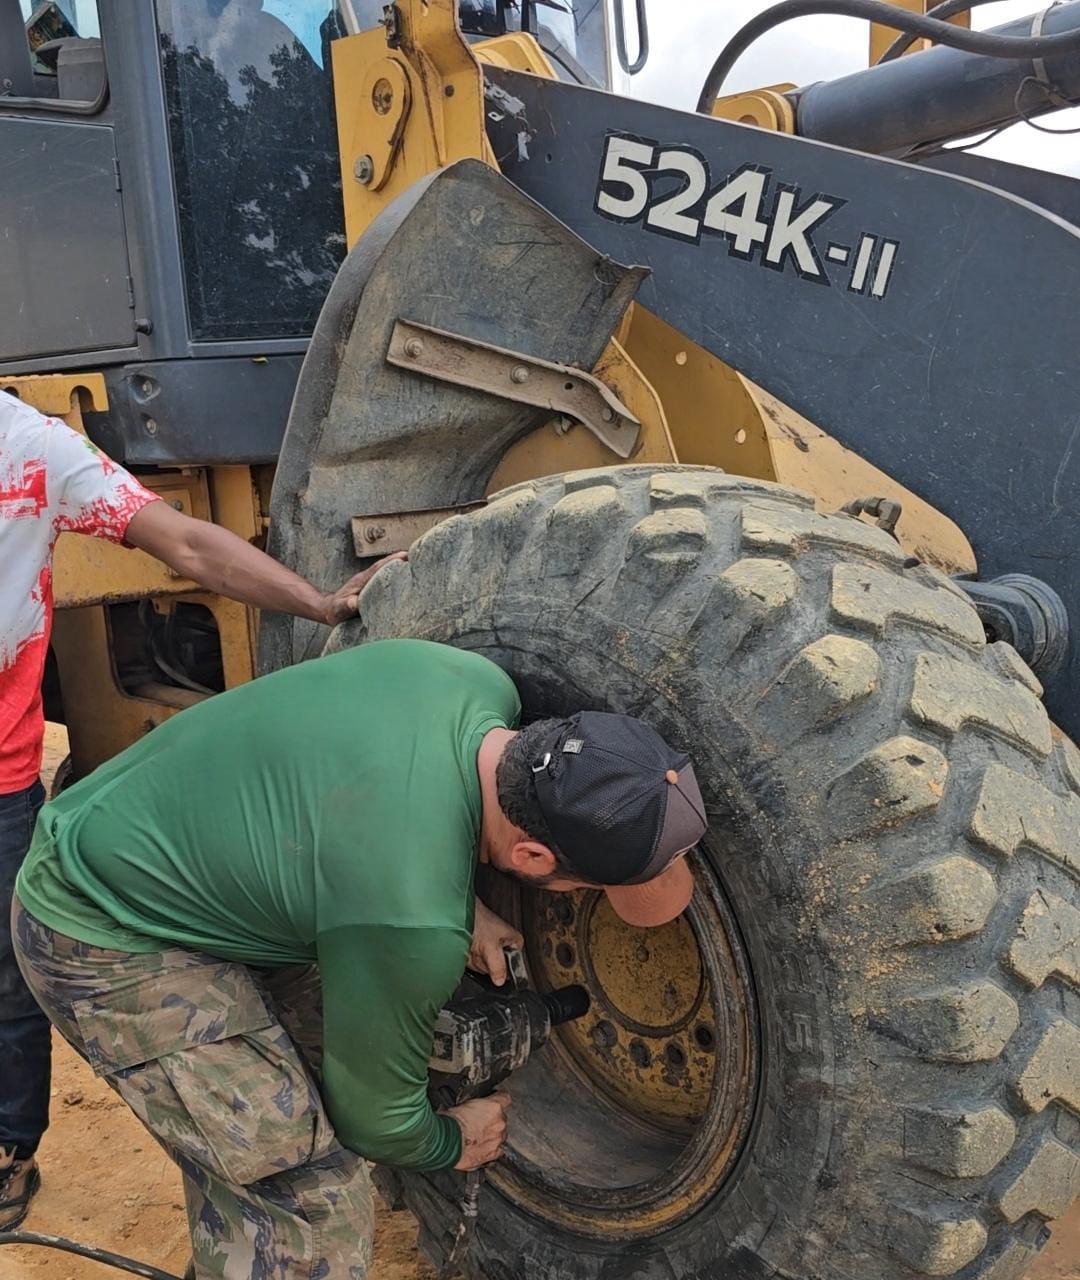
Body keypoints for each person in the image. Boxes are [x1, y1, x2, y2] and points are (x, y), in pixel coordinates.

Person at [13, 638, 706, 1277]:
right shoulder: (409, 922)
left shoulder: (468, 680)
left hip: (157, 835)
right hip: (101, 926)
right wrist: (452, 1140)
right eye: (586, 887)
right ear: (529, 857)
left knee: (315, 1088)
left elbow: (362, 791)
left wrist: (456, 901)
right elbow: (378, 1122)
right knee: (304, 1205)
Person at [0, 389, 400, 1229]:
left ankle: (8, 1146)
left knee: (6, 974)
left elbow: (184, 541)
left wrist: (319, 601)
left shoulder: (28, 449)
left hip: (0, 774)